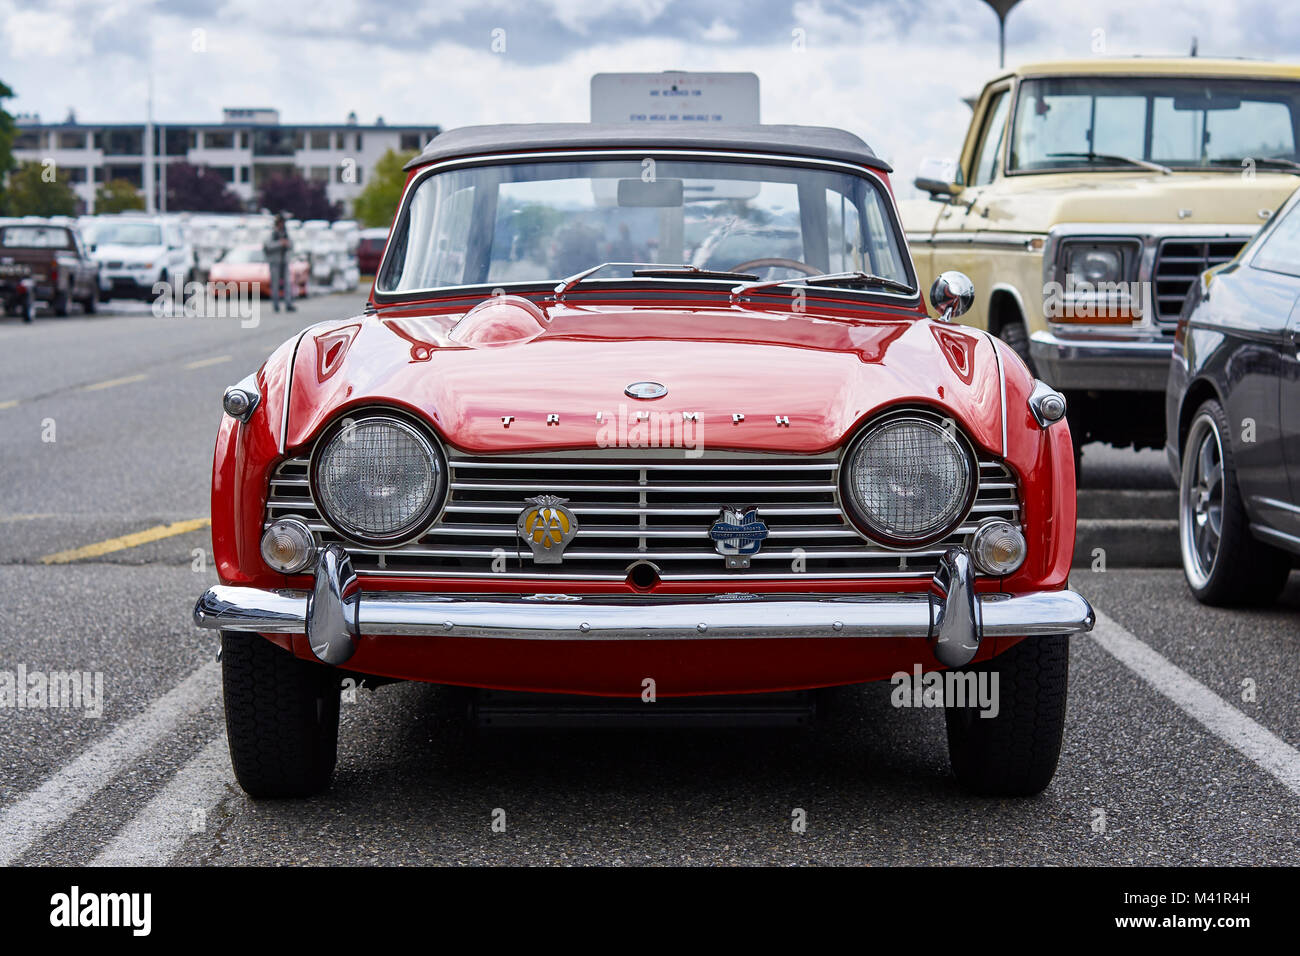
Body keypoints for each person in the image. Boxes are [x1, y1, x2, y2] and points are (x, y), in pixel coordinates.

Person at [263, 213, 295, 312]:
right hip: (275, 262)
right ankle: (276, 305)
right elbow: (268, 246)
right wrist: (280, 243)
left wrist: (287, 244)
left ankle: (288, 304)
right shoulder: (273, 234)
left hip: (284, 261)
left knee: (287, 284)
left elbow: (291, 244)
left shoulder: (285, 233)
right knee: (275, 284)